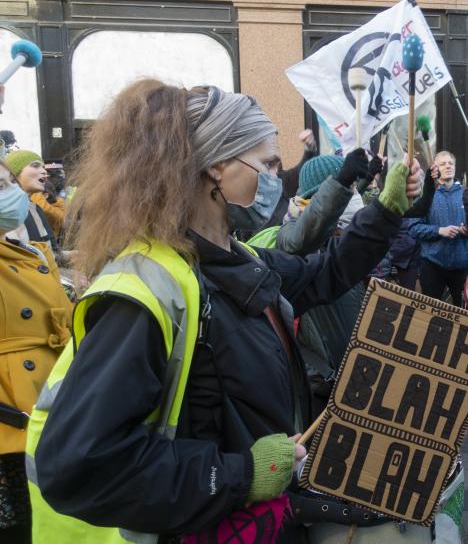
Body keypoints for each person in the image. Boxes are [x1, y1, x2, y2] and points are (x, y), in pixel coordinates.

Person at [24, 80, 423, 543]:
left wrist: (389, 208)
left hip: (254, 523)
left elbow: (325, 274)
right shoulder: (148, 291)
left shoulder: (241, 259)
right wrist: (241, 473)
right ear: (216, 167)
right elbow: (80, 464)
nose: (278, 178)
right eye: (268, 163)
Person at [0, 160, 72, 544]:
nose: (9, 192)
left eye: (9, 182)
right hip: (10, 415)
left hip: (44, 399)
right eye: (1, 183)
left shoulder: (20, 244)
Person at [409, 150, 468, 306]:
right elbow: (413, 228)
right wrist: (439, 231)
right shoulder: (426, 196)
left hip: (462, 265)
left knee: (465, 315)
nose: (448, 166)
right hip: (433, 266)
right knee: (432, 313)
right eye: (443, 164)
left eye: (451, 163)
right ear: (435, 169)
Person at [5, 150, 66, 241]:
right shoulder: (5, 211)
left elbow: (47, 250)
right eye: (35, 166)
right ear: (13, 173)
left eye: (43, 167)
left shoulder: (35, 209)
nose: (44, 171)